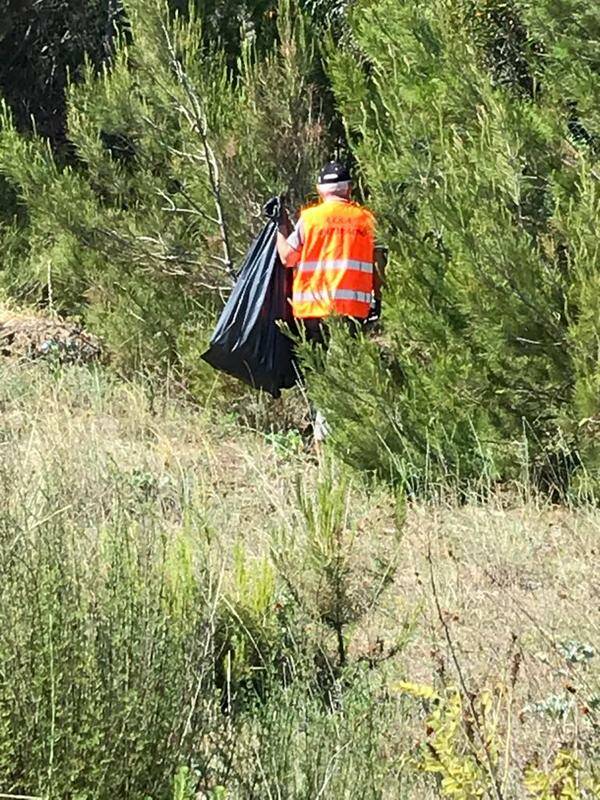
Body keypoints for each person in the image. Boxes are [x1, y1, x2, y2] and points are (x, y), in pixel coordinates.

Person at [274, 161, 385, 442]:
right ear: (349, 188)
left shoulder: (310, 219)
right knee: (342, 371)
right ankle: (332, 433)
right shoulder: (366, 220)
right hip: (352, 310)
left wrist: (279, 228)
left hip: (311, 310)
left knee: (320, 369)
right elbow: (378, 266)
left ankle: (323, 433)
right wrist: (378, 300)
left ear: (320, 190)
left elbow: (288, 257)